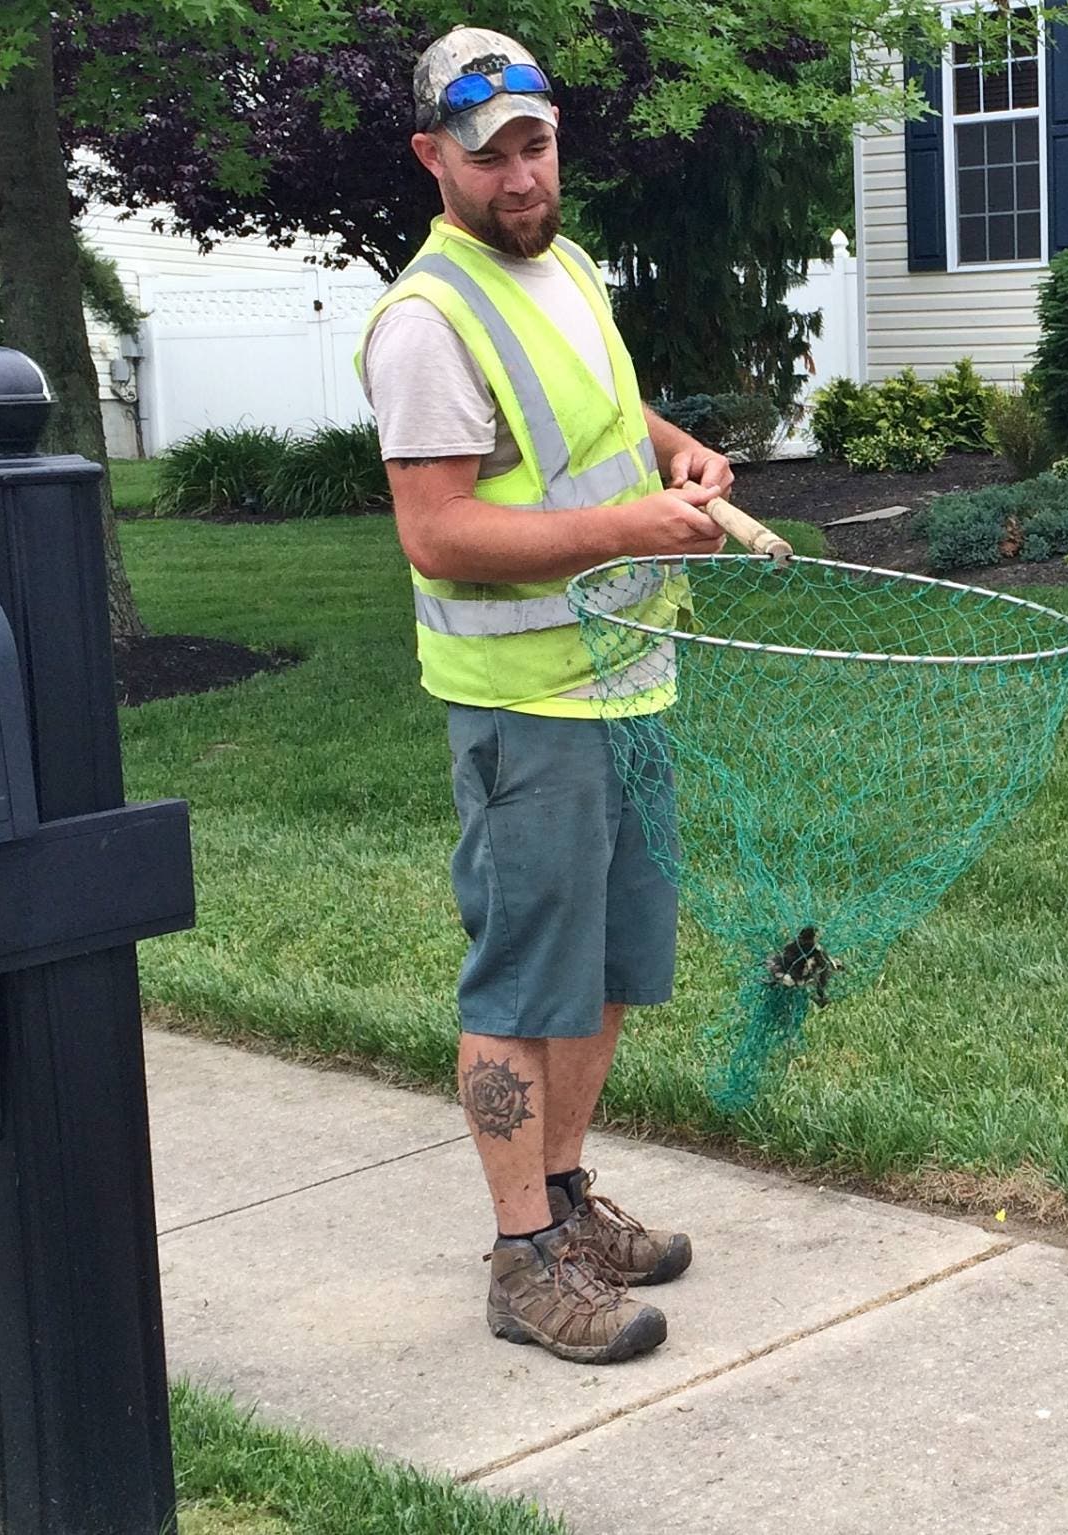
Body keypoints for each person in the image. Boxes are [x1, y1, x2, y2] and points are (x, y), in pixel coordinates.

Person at [357, 25, 734, 1366]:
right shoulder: (424, 323)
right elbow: (439, 533)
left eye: (536, 144)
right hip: (527, 709)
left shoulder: (564, 265)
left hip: (628, 684)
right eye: (489, 155)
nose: (520, 176)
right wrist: (634, 528)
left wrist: (682, 458)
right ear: (432, 159)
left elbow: (604, 428)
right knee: (524, 984)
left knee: (613, 969)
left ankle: (566, 1199)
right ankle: (523, 1260)